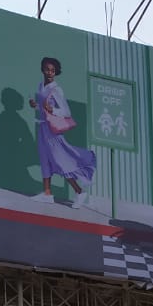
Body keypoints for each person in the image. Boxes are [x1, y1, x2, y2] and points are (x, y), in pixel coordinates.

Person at [29, 56, 96, 206]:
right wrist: (35, 106)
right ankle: (47, 193)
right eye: (47, 69)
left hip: (53, 131)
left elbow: (66, 111)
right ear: (43, 69)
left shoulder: (56, 89)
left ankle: (80, 192)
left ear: (56, 72)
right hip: (42, 128)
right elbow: (43, 109)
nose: (50, 72)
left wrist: (52, 109)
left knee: (60, 162)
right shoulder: (41, 86)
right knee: (45, 161)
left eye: (53, 70)